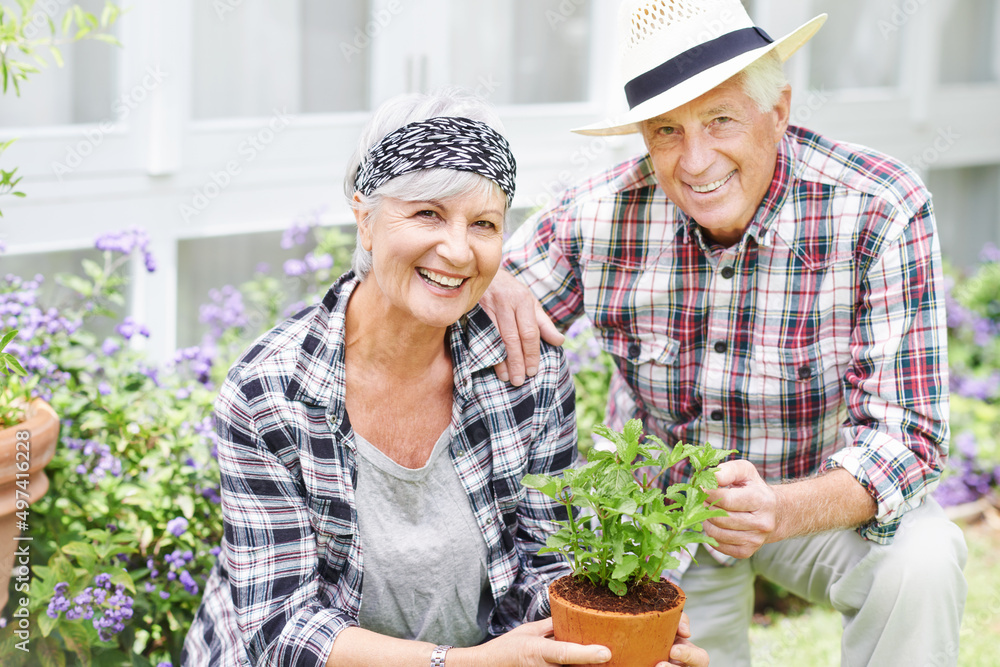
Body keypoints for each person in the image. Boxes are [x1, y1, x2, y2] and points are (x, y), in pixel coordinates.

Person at [481, 1, 968, 665]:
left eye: (720, 120)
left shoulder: (878, 207)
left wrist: (781, 509)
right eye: (666, 131)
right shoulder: (599, 214)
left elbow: (908, 438)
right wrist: (490, 274)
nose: (696, 159)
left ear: (778, 111)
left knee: (924, 558)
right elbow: (470, 316)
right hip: (663, 522)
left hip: (819, 502)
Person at [181, 89, 707, 667]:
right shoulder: (269, 392)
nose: (457, 250)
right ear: (365, 219)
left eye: (483, 224)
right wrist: (464, 664)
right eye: (427, 213)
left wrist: (612, 635)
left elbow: (544, 562)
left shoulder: (525, 370)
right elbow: (283, 632)